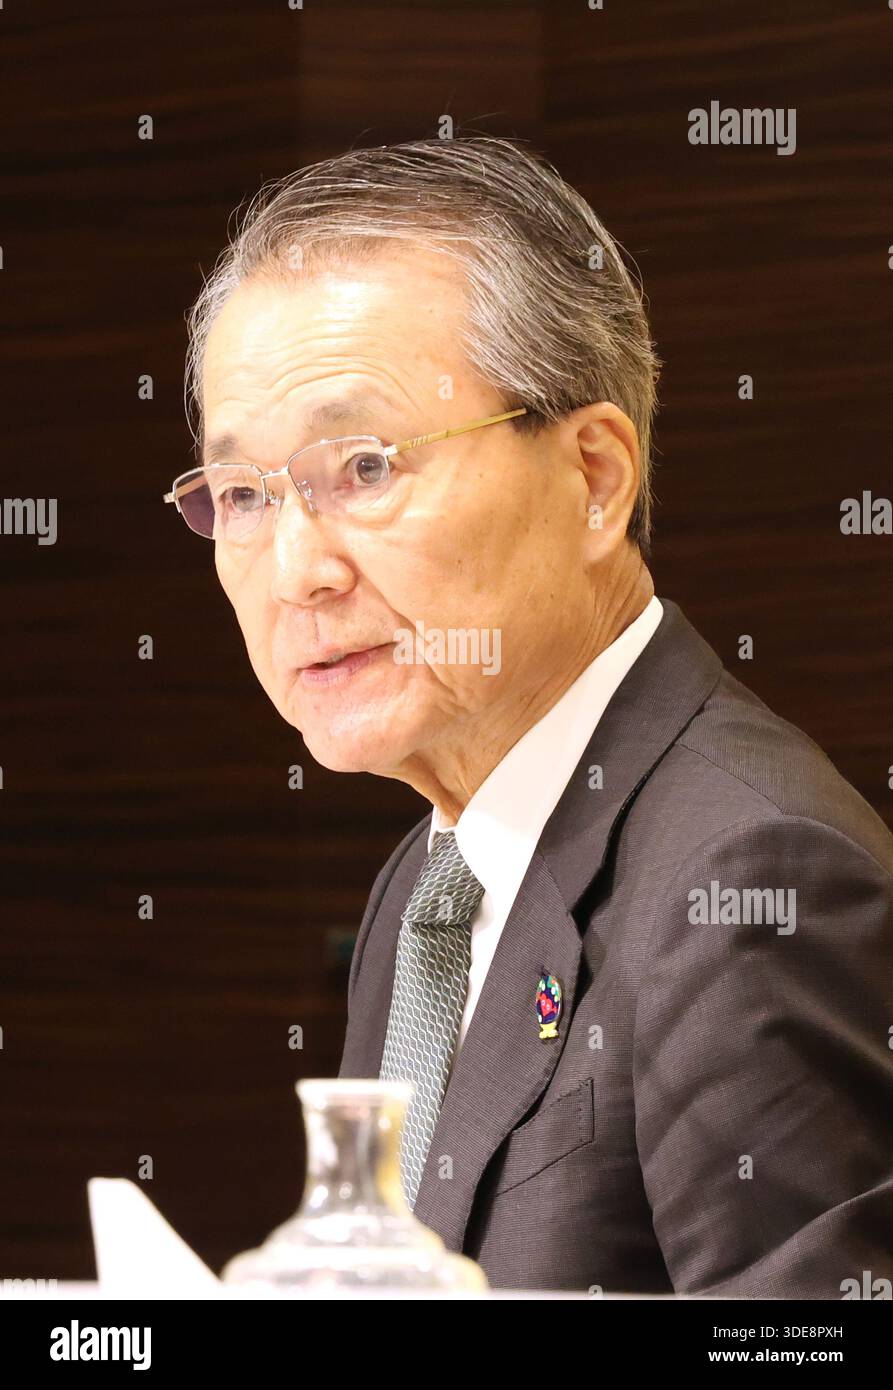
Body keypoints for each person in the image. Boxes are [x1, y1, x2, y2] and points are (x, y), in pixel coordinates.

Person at [167, 136, 893, 1295]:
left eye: (362, 467)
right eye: (246, 493)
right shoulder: (427, 878)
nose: (297, 567)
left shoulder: (755, 875)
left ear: (595, 477)